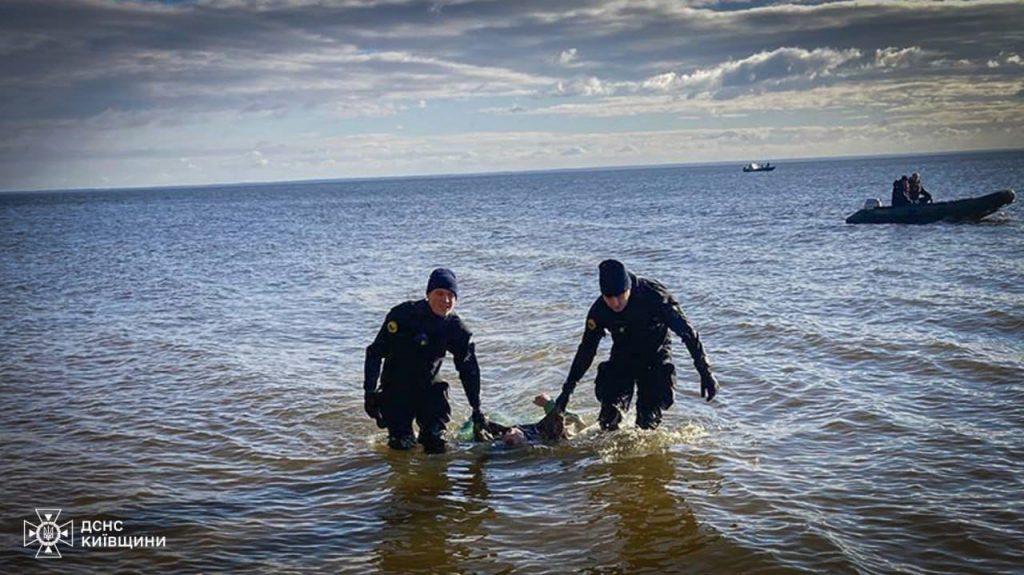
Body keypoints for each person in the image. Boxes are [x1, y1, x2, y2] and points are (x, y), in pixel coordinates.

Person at [552, 259, 719, 431]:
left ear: (628, 288)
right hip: (622, 357)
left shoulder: (654, 297)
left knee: (646, 425)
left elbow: (688, 333)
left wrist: (704, 371)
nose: (615, 303)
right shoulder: (600, 310)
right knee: (608, 421)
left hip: (655, 357)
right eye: (609, 297)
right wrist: (567, 391)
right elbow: (586, 350)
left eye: (620, 295)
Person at [364, 268, 487, 453]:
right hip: (396, 389)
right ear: (428, 294)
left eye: (450, 295)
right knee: (401, 448)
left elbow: (468, 369)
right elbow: (374, 353)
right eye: (439, 293)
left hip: (429, 390)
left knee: (436, 447)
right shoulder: (403, 315)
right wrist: (370, 391)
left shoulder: (455, 328)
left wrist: (476, 408)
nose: (445, 300)